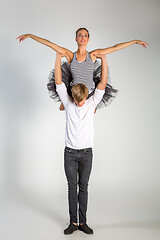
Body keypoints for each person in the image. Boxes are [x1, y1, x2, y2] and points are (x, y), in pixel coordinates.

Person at [16, 28, 149, 110]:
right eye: (80, 35)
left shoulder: (93, 55)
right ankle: (67, 101)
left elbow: (114, 47)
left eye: (85, 35)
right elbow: (50, 44)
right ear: (76, 39)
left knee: (90, 108)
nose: (83, 37)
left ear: (88, 39)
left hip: (90, 91)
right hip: (74, 91)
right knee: (68, 103)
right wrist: (30, 35)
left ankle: (84, 105)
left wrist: (135, 41)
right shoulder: (70, 55)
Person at [54, 51, 108, 235]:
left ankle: (83, 222)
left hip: (86, 154)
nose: (79, 103)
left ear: (86, 96)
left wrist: (105, 60)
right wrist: (57, 57)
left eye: (81, 99)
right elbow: (59, 83)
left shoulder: (92, 103)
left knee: (83, 187)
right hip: (70, 153)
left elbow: (101, 84)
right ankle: (73, 222)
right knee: (72, 188)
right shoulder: (69, 103)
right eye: (76, 100)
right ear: (73, 96)